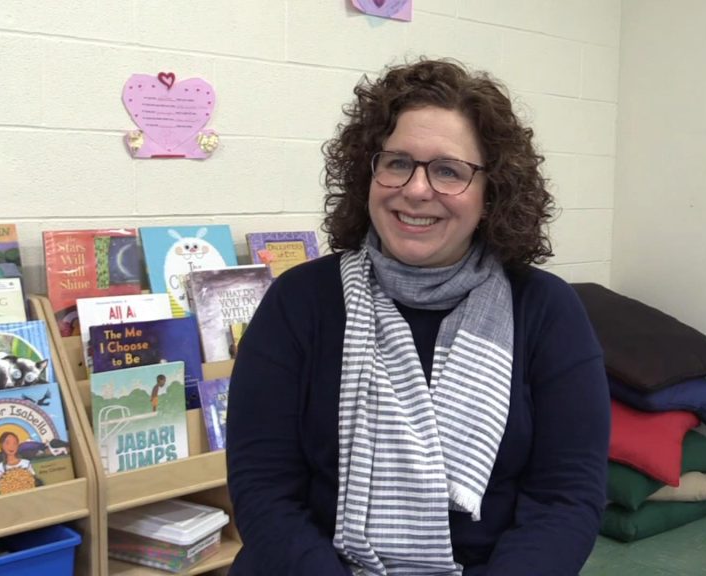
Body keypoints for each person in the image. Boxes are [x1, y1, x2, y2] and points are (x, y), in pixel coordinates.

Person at [227, 58, 610, 576]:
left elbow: (566, 499)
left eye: (449, 170)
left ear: (491, 193)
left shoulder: (546, 310)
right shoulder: (299, 301)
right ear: (370, 171)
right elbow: (262, 487)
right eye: (398, 162)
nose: (415, 189)